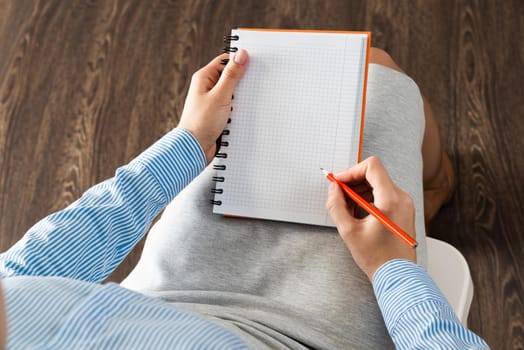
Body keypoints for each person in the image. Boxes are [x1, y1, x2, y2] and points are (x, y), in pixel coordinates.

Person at [0, 47, 489, 349]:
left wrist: (188, 142)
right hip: (315, 339)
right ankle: (435, 189)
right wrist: (392, 266)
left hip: (165, 298)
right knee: (376, 73)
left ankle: (431, 185)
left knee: (366, 67)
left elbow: (21, 275)